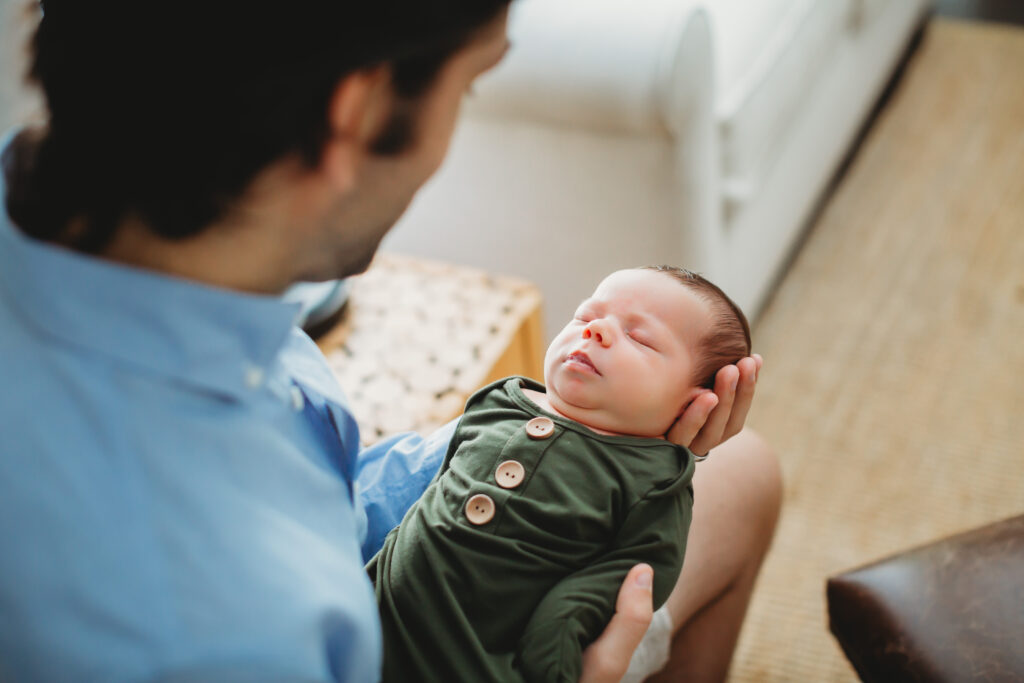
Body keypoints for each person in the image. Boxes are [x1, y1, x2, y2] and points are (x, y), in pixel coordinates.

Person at [0, 2, 779, 682]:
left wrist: (595, 448)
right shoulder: (229, 633)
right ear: (360, 112)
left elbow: (330, 496)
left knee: (732, 463)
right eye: (468, 84)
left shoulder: (170, 281)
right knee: (749, 482)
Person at [370, 265, 752, 682]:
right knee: (754, 463)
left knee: (755, 462)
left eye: (640, 338)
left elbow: (641, 566)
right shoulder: (500, 401)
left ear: (692, 405)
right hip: (361, 615)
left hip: (476, 663)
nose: (595, 331)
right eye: (586, 317)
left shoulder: (653, 482)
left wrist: (562, 636)